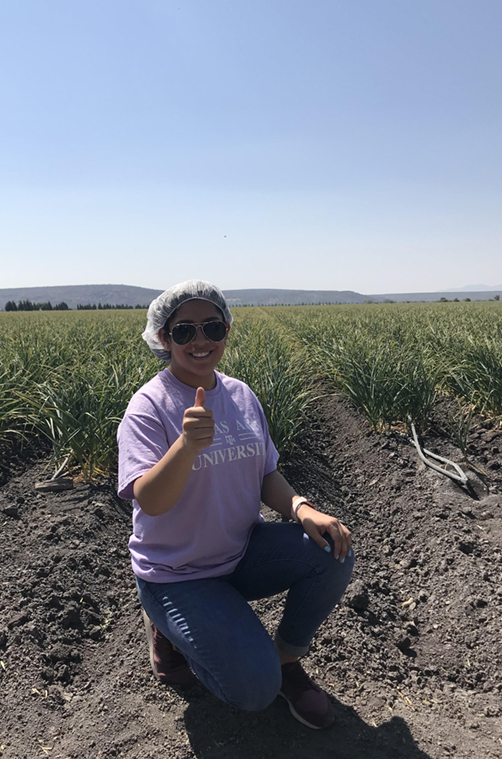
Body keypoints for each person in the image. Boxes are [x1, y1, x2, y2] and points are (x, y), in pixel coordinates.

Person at [117, 280, 354, 729]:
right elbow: (150, 499)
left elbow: (265, 473)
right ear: (163, 339)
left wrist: (302, 508)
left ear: (227, 330)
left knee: (331, 549)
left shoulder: (240, 395)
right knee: (253, 692)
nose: (200, 340)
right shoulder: (149, 406)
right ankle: (169, 630)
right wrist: (186, 446)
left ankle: (285, 662)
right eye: (184, 331)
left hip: (241, 552)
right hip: (178, 575)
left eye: (212, 327)